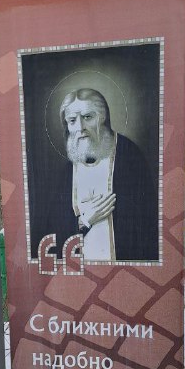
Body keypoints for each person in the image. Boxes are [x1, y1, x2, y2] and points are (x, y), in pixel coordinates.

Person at [30, 88, 158, 262]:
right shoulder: (67, 170)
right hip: (80, 270)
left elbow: (145, 223)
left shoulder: (129, 156)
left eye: (87, 117)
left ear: (102, 117)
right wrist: (84, 220)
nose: (80, 127)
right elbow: (52, 229)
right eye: (72, 120)